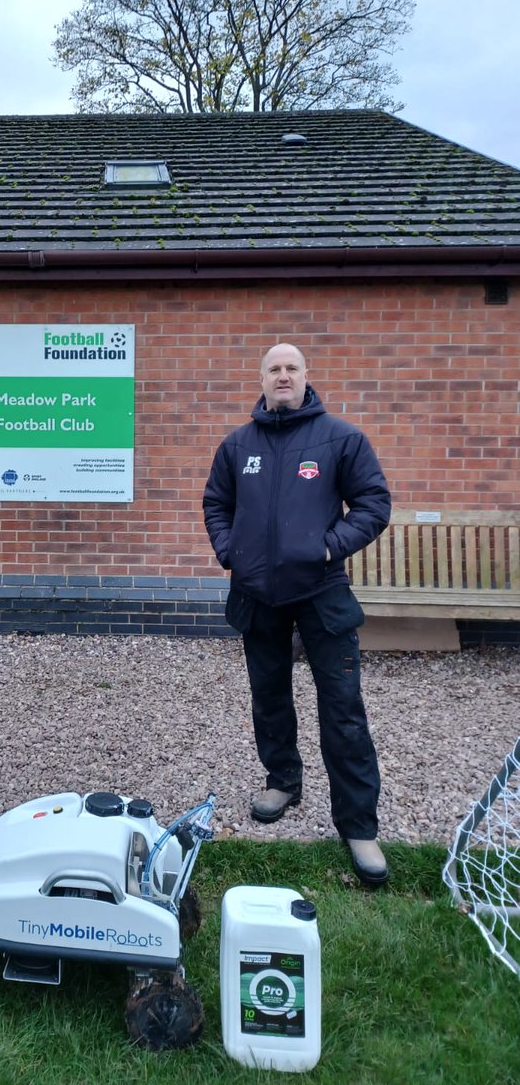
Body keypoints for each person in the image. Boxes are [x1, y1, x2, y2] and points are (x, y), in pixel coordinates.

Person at [202, 343, 392, 886]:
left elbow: (374, 504)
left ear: (306, 376)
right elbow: (216, 503)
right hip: (256, 594)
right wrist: (231, 551)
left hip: (321, 593)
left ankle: (359, 825)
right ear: (262, 379)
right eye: (274, 369)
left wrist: (330, 546)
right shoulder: (238, 446)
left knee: (343, 710)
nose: (282, 376)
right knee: (269, 698)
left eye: (291, 368)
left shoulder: (341, 439)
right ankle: (282, 781)